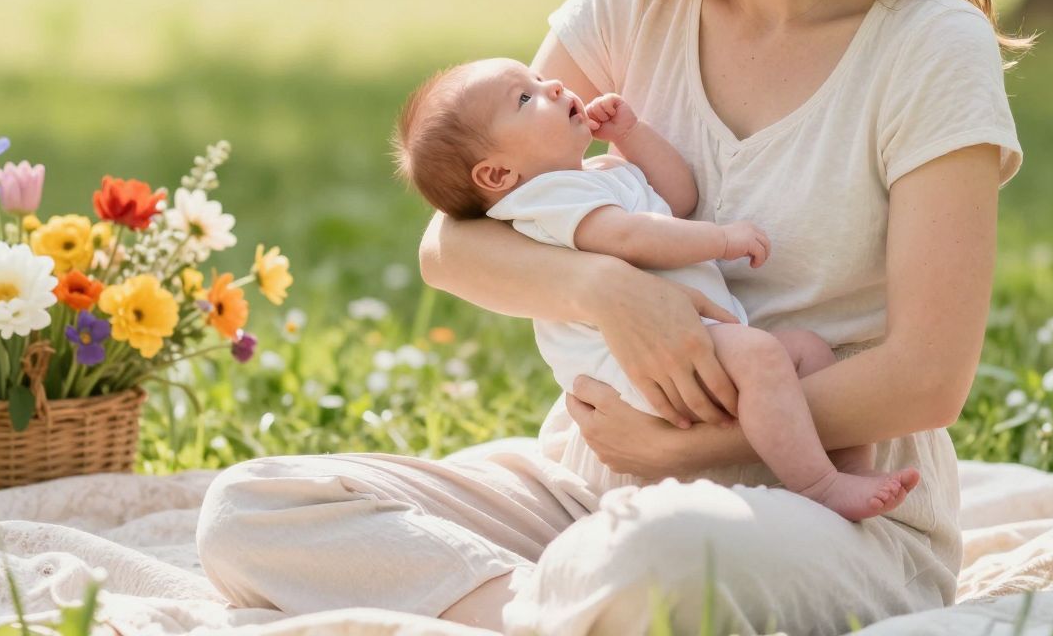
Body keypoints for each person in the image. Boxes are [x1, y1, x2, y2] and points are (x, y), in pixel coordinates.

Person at [197, 0, 1028, 635]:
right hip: (591, 482)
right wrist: (606, 293)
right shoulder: (628, 2)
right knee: (250, 511)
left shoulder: (925, 46)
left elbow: (929, 377)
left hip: (823, 510)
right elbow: (452, 243)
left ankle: (567, 598)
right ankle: (551, 610)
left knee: (658, 558)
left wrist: (689, 454)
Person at [389, 55, 921, 519]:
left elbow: (677, 195)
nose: (553, 87)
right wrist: (721, 239)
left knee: (805, 349)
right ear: (497, 176)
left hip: (687, 339)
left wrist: (630, 135)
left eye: (540, 77)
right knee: (761, 357)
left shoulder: (597, 174)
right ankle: (820, 486)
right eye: (525, 97)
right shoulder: (542, 202)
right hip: (636, 371)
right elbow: (629, 237)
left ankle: (849, 471)